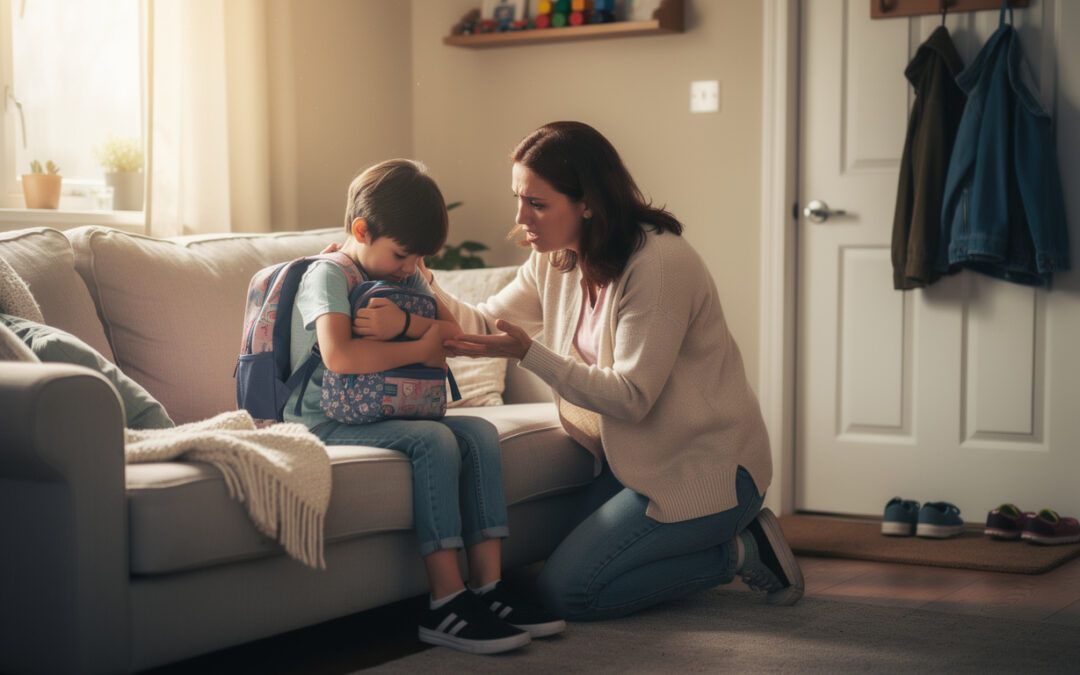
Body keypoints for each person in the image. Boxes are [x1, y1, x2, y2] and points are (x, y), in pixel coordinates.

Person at [426, 122, 804, 621]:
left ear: (587, 202)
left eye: (537, 204)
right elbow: (482, 321)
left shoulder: (660, 264)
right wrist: (412, 272)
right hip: (636, 464)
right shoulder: (555, 260)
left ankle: (743, 549)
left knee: (570, 592)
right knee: (552, 576)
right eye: (519, 198)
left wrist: (530, 354)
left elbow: (631, 396)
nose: (521, 218)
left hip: (705, 469)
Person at [287, 159, 564, 654]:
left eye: (417, 259)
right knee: (435, 438)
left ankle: (489, 589)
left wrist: (405, 326)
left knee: (479, 434)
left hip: (383, 413)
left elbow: (453, 336)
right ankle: (445, 602)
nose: (410, 267)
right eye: (401, 255)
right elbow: (341, 357)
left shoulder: (407, 274)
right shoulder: (327, 276)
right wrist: (420, 345)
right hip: (325, 421)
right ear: (361, 230)